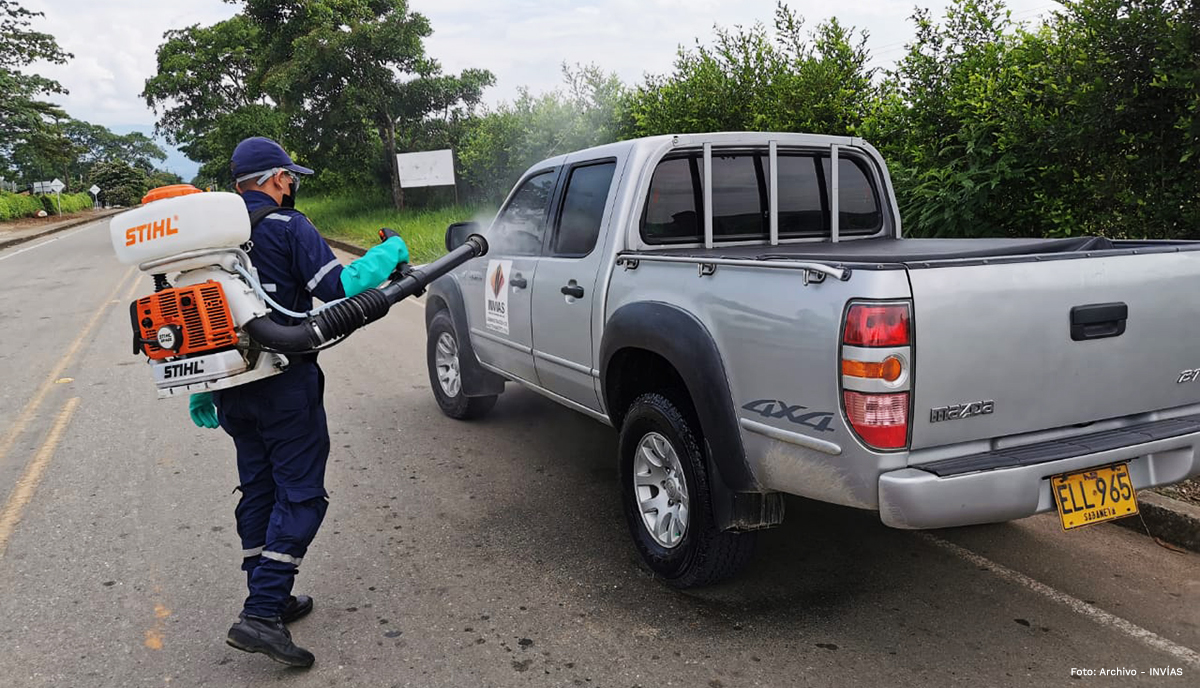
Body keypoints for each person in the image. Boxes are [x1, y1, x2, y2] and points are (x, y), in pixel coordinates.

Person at [187, 136, 410, 667]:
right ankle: (261, 614)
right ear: (275, 179)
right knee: (302, 494)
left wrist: (200, 384)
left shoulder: (208, 242)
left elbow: (200, 316)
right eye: (290, 177)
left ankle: (273, 597)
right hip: (285, 383)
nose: (292, 186)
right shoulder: (288, 227)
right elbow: (340, 286)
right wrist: (390, 251)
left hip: (231, 387)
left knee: (259, 488)